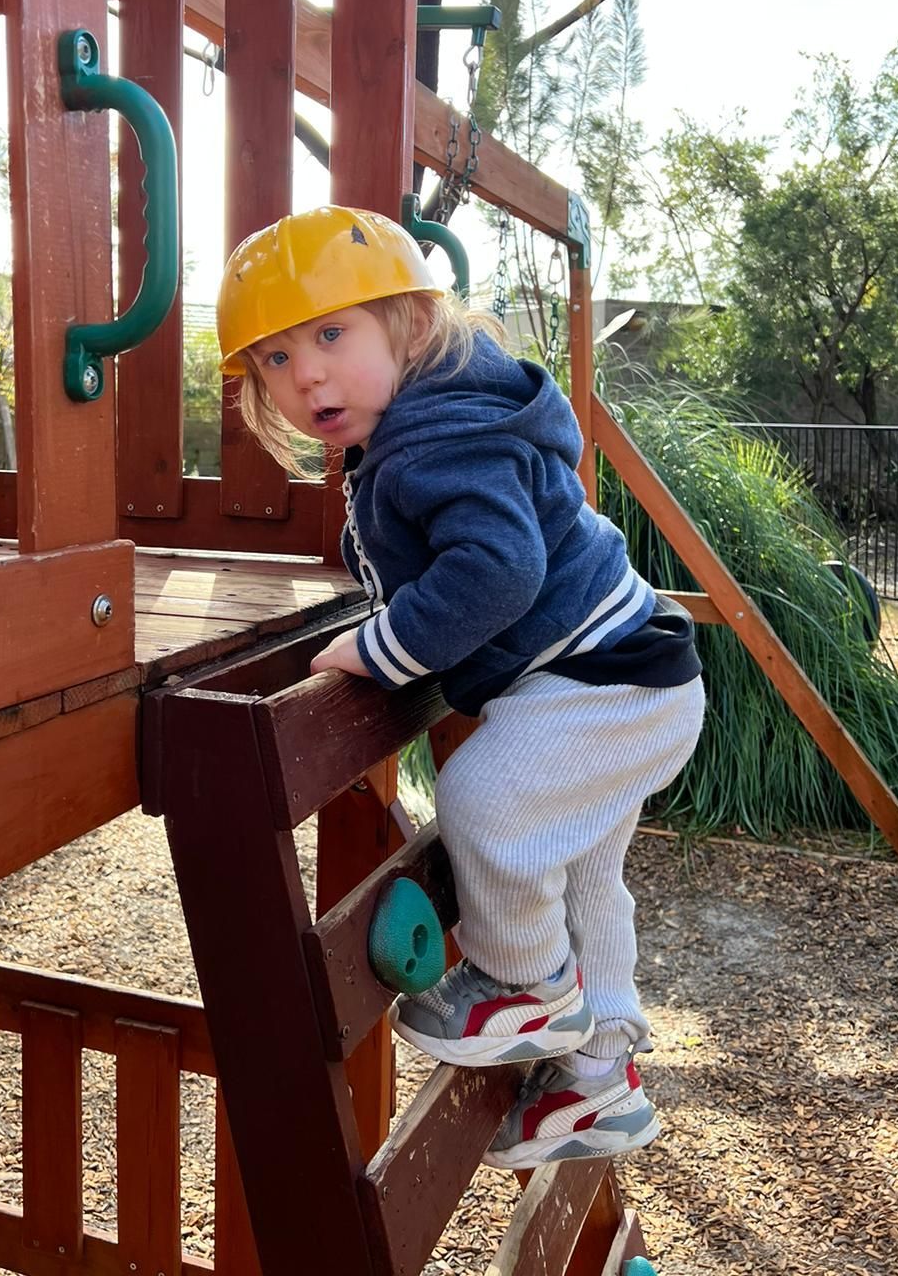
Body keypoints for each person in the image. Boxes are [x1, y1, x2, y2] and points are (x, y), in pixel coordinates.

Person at [216, 205, 705, 1168]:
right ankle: (600, 1082)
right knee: (584, 879)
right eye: (273, 359)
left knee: (483, 799)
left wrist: (388, 647)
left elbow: (495, 572)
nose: (305, 372)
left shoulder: (437, 435)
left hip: (600, 681)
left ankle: (524, 987)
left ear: (408, 320)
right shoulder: (440, 415)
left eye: (329, 334)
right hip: (633, 676)